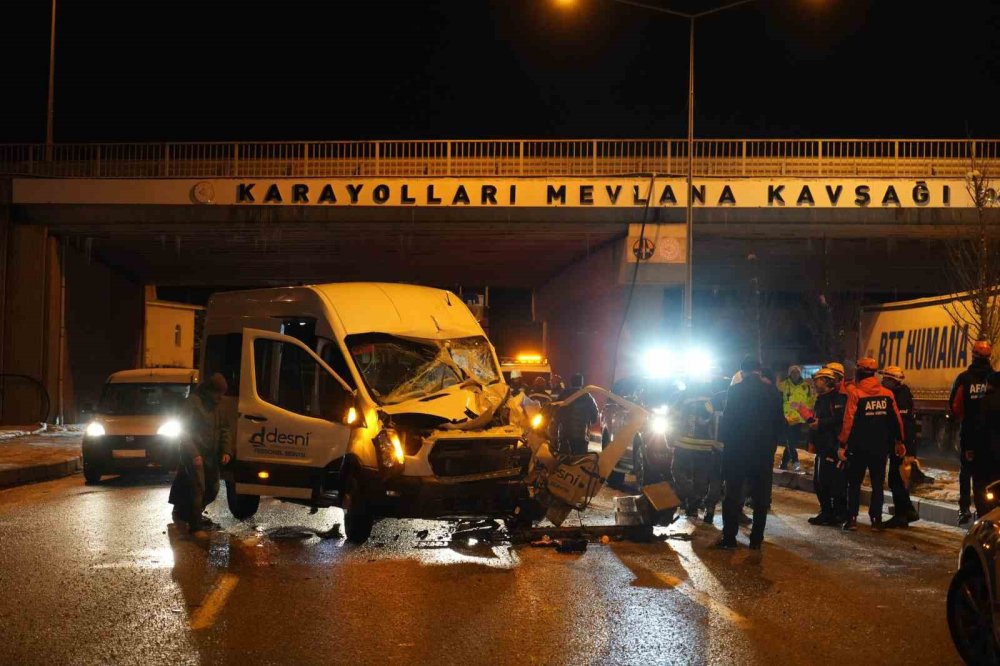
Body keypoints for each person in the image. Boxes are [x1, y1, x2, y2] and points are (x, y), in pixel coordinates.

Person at [716, 356, 787, 550]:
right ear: (759, 370)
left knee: (732, 493)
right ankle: (756, 539)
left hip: (737, 451)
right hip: (763, 452)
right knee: (761, 495)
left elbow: (728, 420)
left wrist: (724, 443)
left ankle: (729, 537)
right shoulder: (772, 392)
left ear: (743, 371)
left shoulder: (735, 391)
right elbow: (779, 423)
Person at [838, 358, 903, 532]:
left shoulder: (856, 394)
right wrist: (899, 440)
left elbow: (848, 421)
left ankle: (852, 519)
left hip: (858, 448)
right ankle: (876, 520)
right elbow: (896, 420)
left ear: (859, 372)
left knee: (854, 484)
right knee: (877, 484)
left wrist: (842, 443)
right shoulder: (887, 394)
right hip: (880, 448)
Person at [168, 373, 232, 534]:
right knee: (198, 488)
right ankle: (195, 525)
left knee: (213, 488)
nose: (220, 397)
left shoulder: (219, 406)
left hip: (211, 455)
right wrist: (194, 453)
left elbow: (225, 429)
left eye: (222, 393)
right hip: (194, 454)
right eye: (217, 393)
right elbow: (184, 430)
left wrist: (226, 451)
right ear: (209, 391)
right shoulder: (193, 403)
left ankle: (188, 512)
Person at [950, 340, 994, 524]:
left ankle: (965, 509)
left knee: (967, 473)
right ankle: (990, 510)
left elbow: (955, 406)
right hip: (992, 437)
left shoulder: (964, 379)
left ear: (973, 355)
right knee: (989, 474)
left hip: (970, 436)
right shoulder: (995, 379)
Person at [672, 380, 723, 523]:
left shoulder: (683, 397)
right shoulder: (712, 398)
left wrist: (670, 437)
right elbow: (717, 421)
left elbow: (673, 417)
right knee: (700, 477)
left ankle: (692, 498)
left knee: (676, 470)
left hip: (683, 443)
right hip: (704, 446)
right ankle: (694, 503)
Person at [807, 368, 847, 525]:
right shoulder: (821, 399)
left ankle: (835, 513)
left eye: (818, 380)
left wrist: (821, 424)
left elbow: (840, 419)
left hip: (832, 446)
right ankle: (826, 511)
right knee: (819, 482)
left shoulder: (837, 399)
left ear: (827, 381)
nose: (815, 383)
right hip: (822, 446)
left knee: (832, 482)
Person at [881, 366, 920, 528]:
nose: (882, 381)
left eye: (885, 379)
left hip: (902, 445)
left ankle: (901, 515)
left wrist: (899, 443)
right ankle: (908, 511)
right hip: (901, 443)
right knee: (898, 479)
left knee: (896, 479)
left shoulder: (900, 396)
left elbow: (901, 423)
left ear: (892, 380)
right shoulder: (899, 394)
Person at [778, 365, 815, 472]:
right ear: (789, 373)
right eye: (793, 372)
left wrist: (809, 415)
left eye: (797, 372)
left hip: (800, 419)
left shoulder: (806, 386)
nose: (795, 374)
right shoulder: (783, 385)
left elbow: (811, 401)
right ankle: (795, 462)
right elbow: (779, 401)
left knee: (792, 442)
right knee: (790, 440)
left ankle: (784, 463)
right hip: (787, 418)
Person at [975, 372, 1000, 516]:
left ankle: (986, 517)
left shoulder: (984, 401)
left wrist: (970, 447)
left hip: (987, 453)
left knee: (983, 487)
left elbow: (978, 427)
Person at [556, 373, 599, 455]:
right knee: (580, 460)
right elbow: (595, 414)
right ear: (582, 383)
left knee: (564, 461)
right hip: (582, 436)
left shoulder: (563, 394)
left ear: (571, 382)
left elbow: (556, 411)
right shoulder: (587, 396)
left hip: (565, 435)